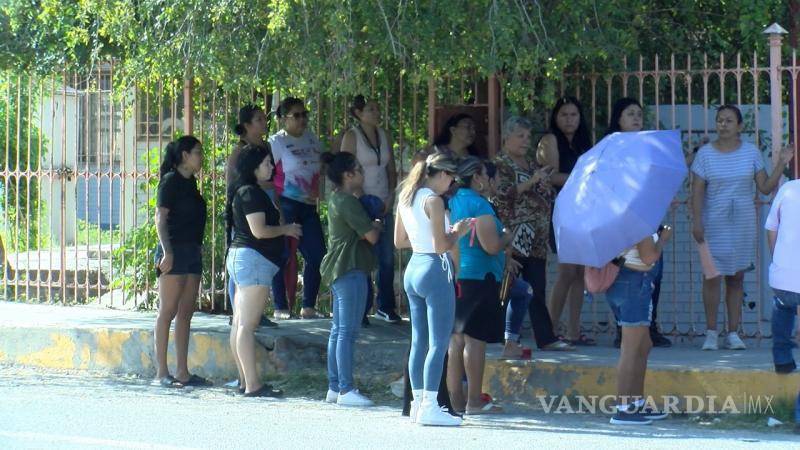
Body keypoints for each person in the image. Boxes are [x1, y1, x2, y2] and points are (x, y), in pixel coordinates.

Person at [691, 105, 794, 350]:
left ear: (739, 126)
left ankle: (733, 333)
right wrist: (696, 221)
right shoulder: (705, 154)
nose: (723, 124)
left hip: (743, 223)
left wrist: (782, 163)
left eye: (729, 120)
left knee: (736, 277)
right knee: (712, 276)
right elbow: (697, 192)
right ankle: (711, 333)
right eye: (719, 120)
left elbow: (765, 187)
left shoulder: (751, 152)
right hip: (714, 222)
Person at [395, 152, 470, 426]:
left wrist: (424, 239)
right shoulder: (434, 201)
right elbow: (441, 246)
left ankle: (417, 403)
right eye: (451, 178)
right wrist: (458, 232)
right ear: (442, 174)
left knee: (419, 341)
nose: (451, 184)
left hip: (414, 267)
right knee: (438, 343)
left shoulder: (406, 197)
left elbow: (399, 241)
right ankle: (430, 406)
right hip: (435, 268)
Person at [494, 116, 574, 353]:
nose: (525, 141)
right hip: (513, 235)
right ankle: (503, 336)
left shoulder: (530, 164)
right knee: (509, 287)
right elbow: (501, 195)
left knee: (537, 287)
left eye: (528, 137)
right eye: (520, 136)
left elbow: (542, 193)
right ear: (506, 137)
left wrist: (544, 185)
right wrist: (532, 182)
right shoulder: (500, 165)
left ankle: (546, 338)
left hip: (536, 237)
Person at [226, 145, 301, 396]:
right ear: (254, 167)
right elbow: (259, 231)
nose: (271, 167)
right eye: (267, 163)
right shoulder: (250, 193)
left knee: (240, 323)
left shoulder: (246, 190)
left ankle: (244, 381)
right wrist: (286, 229)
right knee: (247, 326)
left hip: (245, 258)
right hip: (253, 260)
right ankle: (253, 385)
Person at [446, 156, 511, 414]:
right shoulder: (479, 205)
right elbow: (491, 246)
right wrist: (506, 237)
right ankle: (474, 400)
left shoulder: (453, 200)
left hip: (458, 275)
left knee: (456, 340)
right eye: (488, 175)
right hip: (480, 277)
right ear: (477, 177)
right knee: (475, 340)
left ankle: (455, 401)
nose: (493, 181)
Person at [606, 98, 671, 348]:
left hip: (647, 214)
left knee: (653, 271)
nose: (636, 118)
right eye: (630, 114)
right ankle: (623, 328)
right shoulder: (611, 148)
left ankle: (649, 326)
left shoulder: (647, 147)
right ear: (618, 119)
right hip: (621, 218)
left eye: (639, 114)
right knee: (625, 270)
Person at [319, 152, 381, 406]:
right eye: (359, 170)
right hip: (350, 268)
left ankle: (335, 387)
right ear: (348, 175)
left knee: (338, 330)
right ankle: (346, 389)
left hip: (339, 269)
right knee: (347, 331)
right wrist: (377, 223)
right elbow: (372, 237)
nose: (363, 174)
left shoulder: (336, 199)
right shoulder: (348, 202)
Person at [154, 135, 211, 388]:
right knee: (167, 311)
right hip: (174, 251)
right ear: (185, 156)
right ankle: (161, 372)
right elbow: (160, 218)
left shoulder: (191, 183)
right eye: (198, 152)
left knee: (186, 313)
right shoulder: (170, 181)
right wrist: (167, 251)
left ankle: (182, 372)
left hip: (192, 252)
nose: (201, 157)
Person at [339, 95, 401, 324]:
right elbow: (345, 169)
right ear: (358, 113)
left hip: (384, 201)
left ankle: (386, 306)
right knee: (363, 257)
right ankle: (362, 309)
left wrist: (391, 195)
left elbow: (391, 169)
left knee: (387, 257)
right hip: (361, 201)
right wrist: (361, 198)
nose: (376, 113)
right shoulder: (351, 136)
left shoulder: (385, 135)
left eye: (377, 108)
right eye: (370, 109)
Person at [538, 97, 594, 346]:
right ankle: (549, 330)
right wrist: (583, 177)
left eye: (574, 115)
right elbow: (551, 177)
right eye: (564, 115)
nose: (569, 119)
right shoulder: (550, 140)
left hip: (582, 210)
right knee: (567, 271)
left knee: (580, 272)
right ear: (556, 117)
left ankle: (573, 331)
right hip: (559, 209)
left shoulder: (583, 142)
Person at [606, 226, 673, 425]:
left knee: (644, 346)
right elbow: (649, 257)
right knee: (631, 349)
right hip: (634, 284)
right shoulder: (638, 222)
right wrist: (663, 239)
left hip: (624, 284)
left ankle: (636, 403)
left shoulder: (617, 219)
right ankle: (623, 409)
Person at [270, 97, 326, 320]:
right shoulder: (277, 142)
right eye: (297, 115)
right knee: (282, 254)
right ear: (284, 119)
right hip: (286, 204)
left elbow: (320, 169)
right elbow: (267, 174)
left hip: (309, 206)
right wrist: (276, 208)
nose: (303, 119)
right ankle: (280, 306)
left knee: (317, 254)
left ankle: (308, 306)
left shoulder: (312, 139)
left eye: (305, 114)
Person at [226, 104, 278, 328]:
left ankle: (255, 311)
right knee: (244, 261)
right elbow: (234, 183)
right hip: (247, 207)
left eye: (264, 118)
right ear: (246, 125)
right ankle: (238, 311)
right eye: (258, 119)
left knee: (262, 256)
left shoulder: (266, 146)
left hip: (266, 202)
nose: (264, 122)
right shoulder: (240, 151)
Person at [765, 178, 800, 374]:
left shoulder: (788, 188)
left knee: (782, 306)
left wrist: (777, 258)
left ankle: (782, 358)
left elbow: (771, 228)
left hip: (784, 274)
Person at [412, 113, 478, 163]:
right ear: (453, 130)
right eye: (468, 127)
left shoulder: (474, 158)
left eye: (474, 128)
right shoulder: (433, 152)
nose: (473, 132)